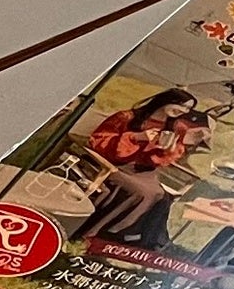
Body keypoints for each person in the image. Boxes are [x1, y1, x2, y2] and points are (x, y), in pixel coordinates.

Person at [76, 90, 208, 246]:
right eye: (181, 105)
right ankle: (100, 231)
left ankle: (137, 237)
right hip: (115, 164)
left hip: (144, 171)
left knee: (162, 197)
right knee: (142, 192)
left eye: (188, 109)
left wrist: (169, 150)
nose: (183, 111)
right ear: (165, 100)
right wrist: (136, 137)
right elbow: (99, 141)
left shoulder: (174, 127)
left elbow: (162, 159)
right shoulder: (127, 117)